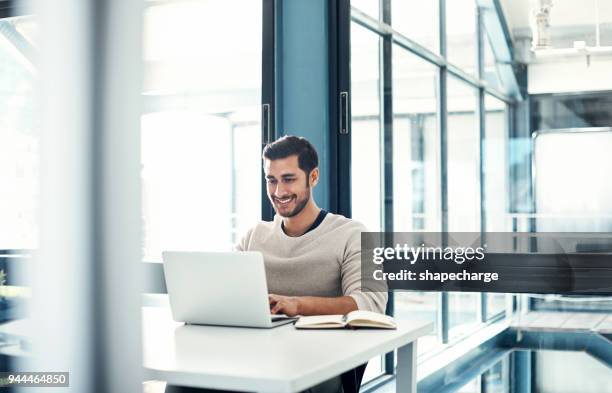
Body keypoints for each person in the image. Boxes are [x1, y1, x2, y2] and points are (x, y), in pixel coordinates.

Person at [236, 135, 387, 317]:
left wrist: (298, 305)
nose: (279, 192)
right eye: (272, 180)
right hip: (263, 343)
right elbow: (226, 293)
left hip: (332, 345)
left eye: (289, 179)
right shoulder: (252, 238)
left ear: (313, 177)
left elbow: (370, 304)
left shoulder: (352, 235)